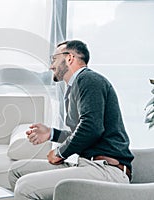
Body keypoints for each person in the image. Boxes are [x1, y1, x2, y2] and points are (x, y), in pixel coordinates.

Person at [8, 40, 134, 199]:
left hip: (106, 170)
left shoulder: (88, 79)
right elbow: (83, 133)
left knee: (25, 187)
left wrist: (60, 153)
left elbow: (91, 128)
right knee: (16, 171)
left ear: (69, 58)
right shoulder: (77, 86)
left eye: (54, 59)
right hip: (87, 165)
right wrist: (51, 134)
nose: (50, 66)